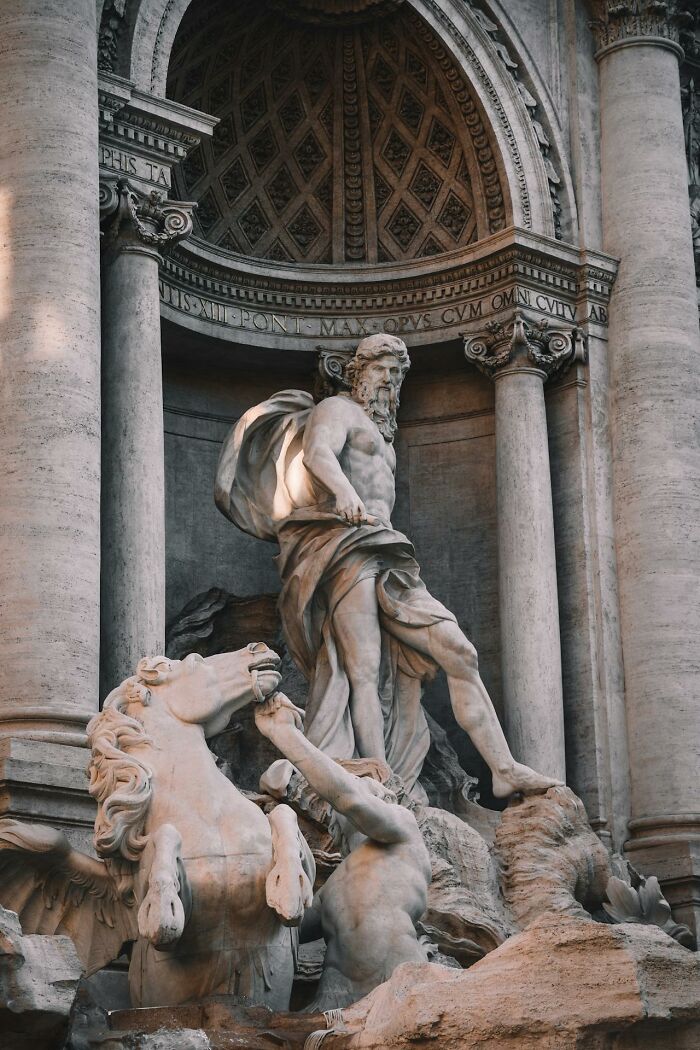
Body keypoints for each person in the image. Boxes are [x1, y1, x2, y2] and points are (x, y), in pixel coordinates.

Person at [216, 333, 560, 797]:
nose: (389, 381)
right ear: (358, 373)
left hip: (388, 552)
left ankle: (503, 769)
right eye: (381, 370)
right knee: (363, 668)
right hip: (343, 547)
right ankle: (380, 776)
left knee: (460, 652)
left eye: (396, 373)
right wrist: (344, 493)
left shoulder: (383, 434)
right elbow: (317, 453)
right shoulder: (337, 410)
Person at [254, 691, 432, 1010]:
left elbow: (350, 799)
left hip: (400, 983)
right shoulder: (331, 889)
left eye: (363, 783)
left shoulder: (403, 831)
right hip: (336, 1000)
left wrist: (284, 734)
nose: (354, 786)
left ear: (385, 798)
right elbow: (280, 924)